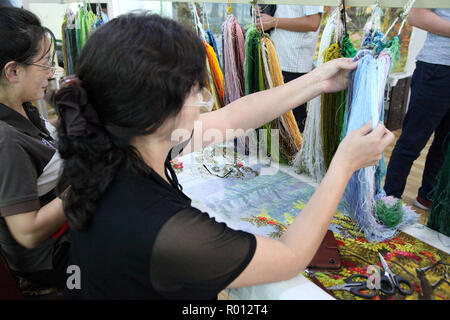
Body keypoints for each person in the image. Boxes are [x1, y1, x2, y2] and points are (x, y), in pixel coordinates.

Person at [54, 12, 394, 299]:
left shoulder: (114, 144)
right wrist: (344, 165)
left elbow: (233, 118)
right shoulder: (166, 232)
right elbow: (291, 256)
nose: (203, 96)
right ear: (161, 114)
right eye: (196, 89)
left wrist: (317, 81)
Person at [0, 7, 69, 292]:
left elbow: (43, 141)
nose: (52, 73)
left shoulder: (22, 108)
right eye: (45, 64)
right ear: (14, 71)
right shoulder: (6, 141)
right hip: (50, 258)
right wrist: (88, 185)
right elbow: (27, 233)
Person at [384, 8, 450, 210]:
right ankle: (389, 199)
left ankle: (427, 197)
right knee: (412, 141)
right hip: (436, 68)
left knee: (445, 145)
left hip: (438, 69)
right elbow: (415, 15)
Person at [256, 5, 323, 132]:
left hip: (293, 65)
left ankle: (296, 152)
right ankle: (273, 152)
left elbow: (313, 22)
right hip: (273, 59)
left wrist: (273, 22)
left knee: (293, 128)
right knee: (273, 124)